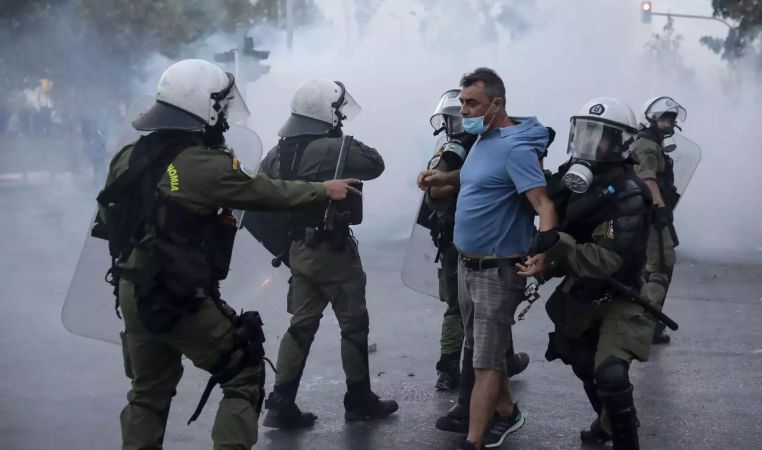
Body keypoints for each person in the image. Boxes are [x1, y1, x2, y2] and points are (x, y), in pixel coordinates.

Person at [100, 59, 359, 450]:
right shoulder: (205, 164)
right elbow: (264, 193)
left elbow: (110, 219)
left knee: (148, 392)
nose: (223, 117)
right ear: (207, 108)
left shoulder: (128, 158)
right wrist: (325, 190)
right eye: (220, 108)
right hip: (177, 292)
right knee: (243, 372)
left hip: (132, 290)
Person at [257, 79, 398, 430]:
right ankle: (359, 400)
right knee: (353, 325)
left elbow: (258, 201)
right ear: (326, 114)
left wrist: (285, 248)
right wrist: (338, 139)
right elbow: (375, 164)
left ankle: (281, 402)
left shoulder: (276, 154)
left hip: (299, 251)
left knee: (300, 326)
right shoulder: (334, 148)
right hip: (333, 252)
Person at [517, 97, 654, 450]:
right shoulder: (574, 176)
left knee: (610, 373)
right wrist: (543, 261)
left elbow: (607, 261)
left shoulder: (629, 194)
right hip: (582, 290)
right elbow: (544, 206)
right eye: (585, 133)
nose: (590, 144)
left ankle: (626, 439)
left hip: (620, 295)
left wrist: (556, 245)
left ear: (621, 142)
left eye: (601, 136)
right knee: (582, 362)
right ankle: (608, 422)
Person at [432, 67, 558, 450]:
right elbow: (480, 178)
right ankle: (506, 411)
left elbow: (543, 203)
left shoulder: (516, 148)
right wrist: (442, 179)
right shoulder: (485, 140)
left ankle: (473, 440)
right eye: (463, 103)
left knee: (483, 363)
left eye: (473, 103)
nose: (465, 111)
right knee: (484, 346)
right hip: (467, 265)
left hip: (497, 270)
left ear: (497, 103)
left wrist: (544, 253)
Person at [417, 89, 531, 394]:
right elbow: (433, 192)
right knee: (470, 307)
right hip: (467, 241)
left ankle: (494, 361)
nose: (460, 123)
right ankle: (454, 369)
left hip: (469, 240)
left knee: (486, 307)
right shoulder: (454, 153)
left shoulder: (483, 146)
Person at [631, 96, 686, 345]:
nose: (668, 123)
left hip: (653, 213)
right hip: (653, 215)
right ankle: (647, 323)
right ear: (651, 118)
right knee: (660, 266)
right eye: (664, 118)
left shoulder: (654, 142)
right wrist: (659, 207)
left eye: (671, 119)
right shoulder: (647, 144)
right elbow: (648, 178)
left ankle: (648, 319)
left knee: (654, 266)